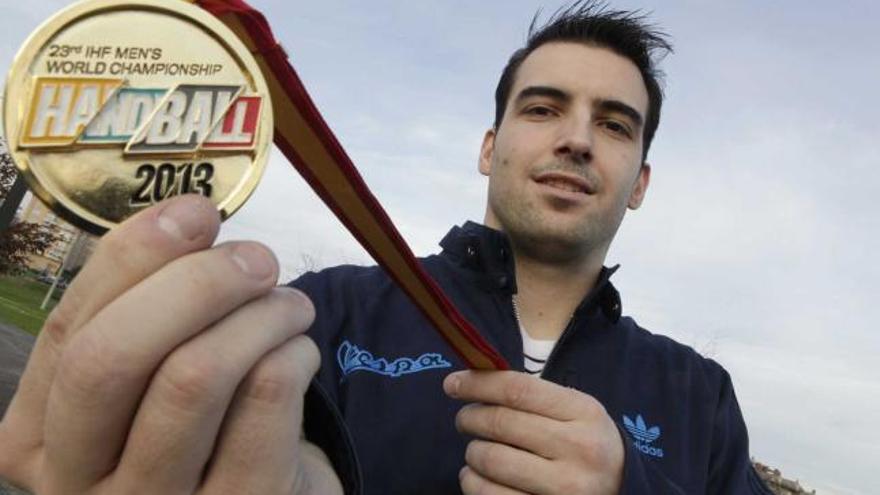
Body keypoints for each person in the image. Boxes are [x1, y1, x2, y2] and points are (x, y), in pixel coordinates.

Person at [0, 2, 771, 494]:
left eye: (613, 124)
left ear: (639, 181)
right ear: (488, 147)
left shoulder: (700, 394)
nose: (575, 138)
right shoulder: (321, 312)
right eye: (544, 108)